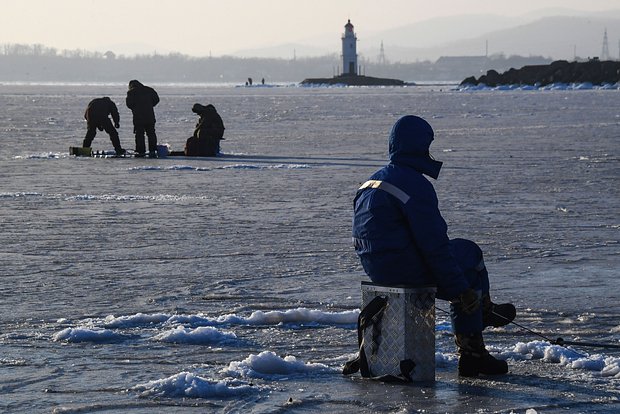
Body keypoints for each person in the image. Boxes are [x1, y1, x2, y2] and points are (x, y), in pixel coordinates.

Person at [352, 115, 516, 377]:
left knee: (460, 260)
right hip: (407, 271)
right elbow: (435, 246)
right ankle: (475, 340)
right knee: (469, 255)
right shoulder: (414, 185)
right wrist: (461, 290)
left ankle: (483, 313)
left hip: (378, 272)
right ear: (419, 146)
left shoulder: (369, 183)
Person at [126, 80, 160, 157]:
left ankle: (140, 151)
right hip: (150, 116)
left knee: (139, 134)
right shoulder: (149, 90)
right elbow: (157, 100)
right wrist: (150, 106)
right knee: (151, 133)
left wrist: (135, 107)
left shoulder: (131, 92)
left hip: (138, 117)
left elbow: (129, 104)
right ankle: (153, 150)